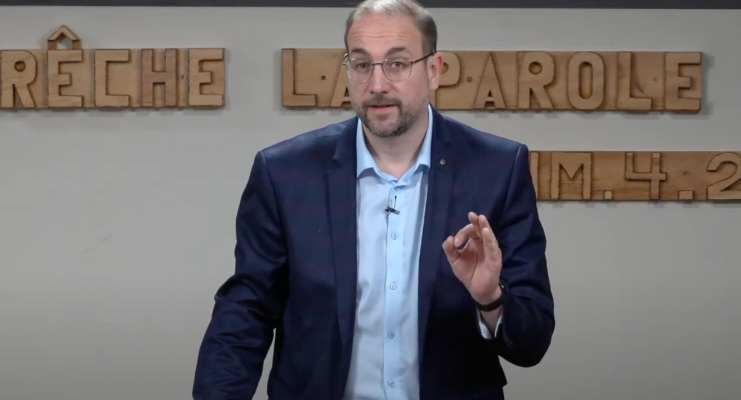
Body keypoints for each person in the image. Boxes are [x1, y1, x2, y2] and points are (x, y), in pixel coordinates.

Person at [192, 0, 555, 399]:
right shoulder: (283, 172)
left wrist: (490, 300)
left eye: (398, 64)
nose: (378, 84)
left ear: (434, 71)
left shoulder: (498, 169)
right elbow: (247, 309)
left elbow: (532, 344)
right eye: (362, 64)